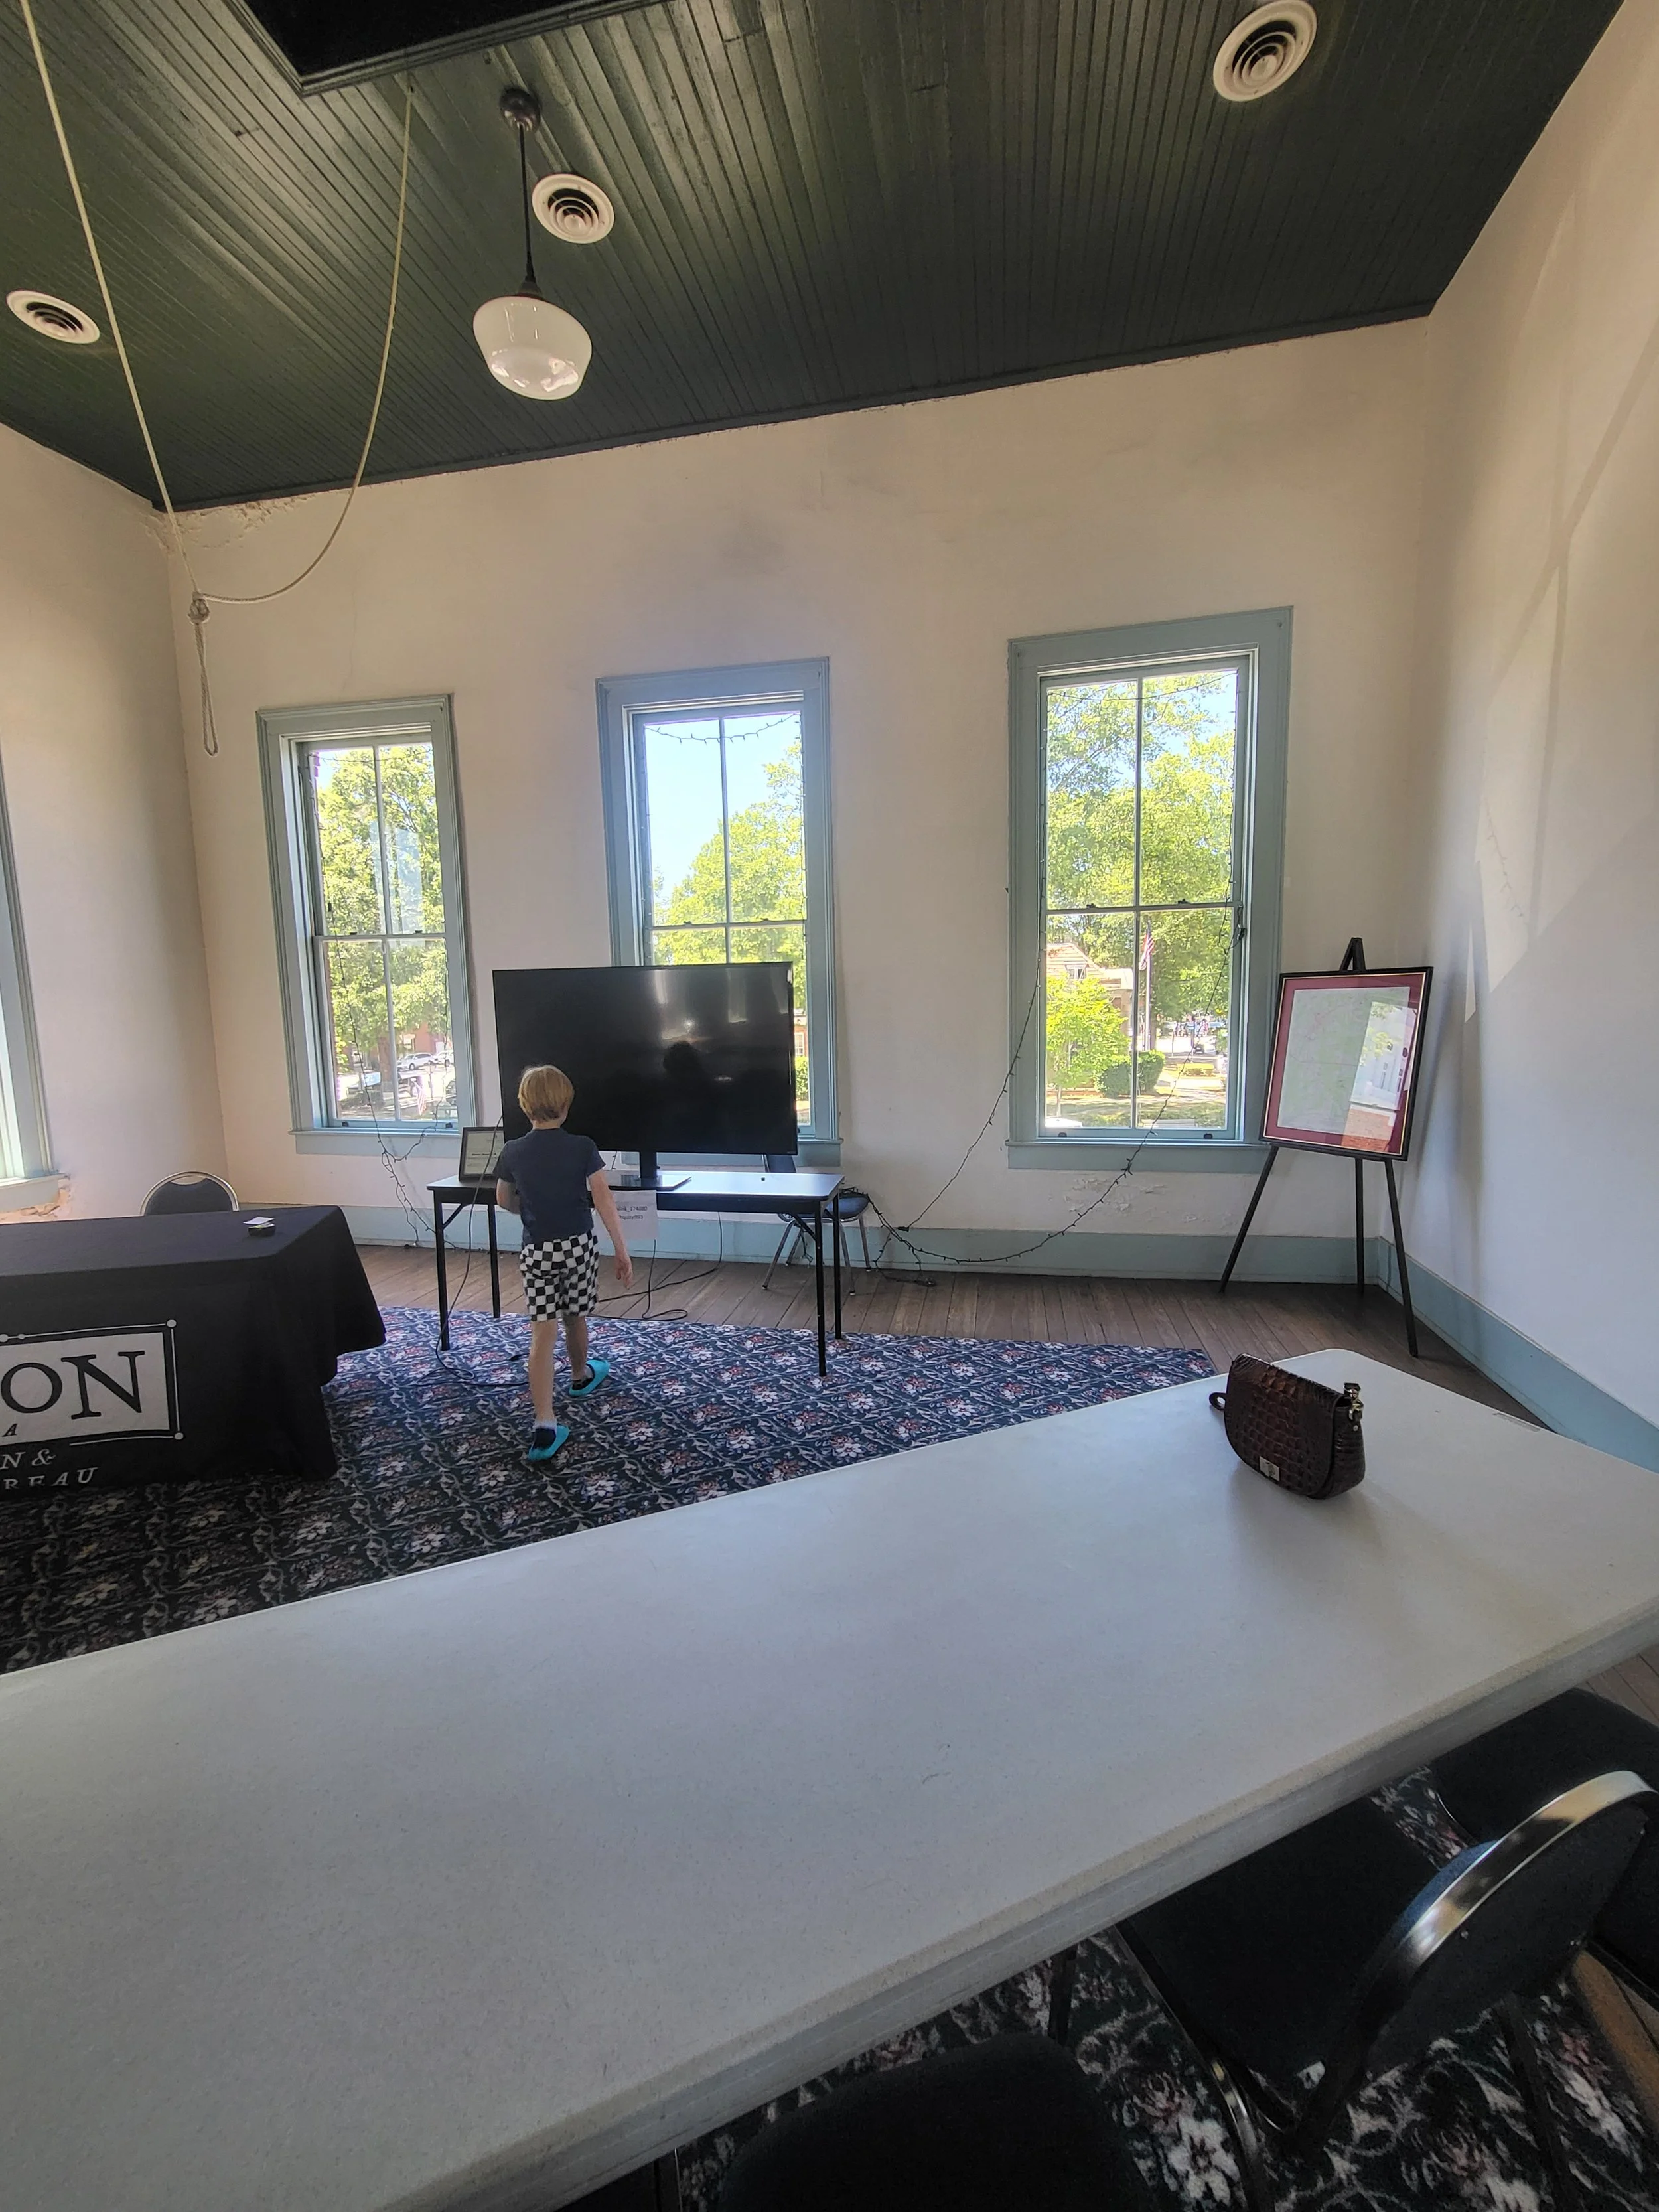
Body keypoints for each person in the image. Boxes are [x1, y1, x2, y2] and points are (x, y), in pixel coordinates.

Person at [495, 1064, 634, 1464]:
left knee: (542, 1334)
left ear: (524, 1105)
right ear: (567, 1105)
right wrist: (621, 1249)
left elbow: (502, 1199)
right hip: (578, 1248)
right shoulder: (583, 1147)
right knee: (576, 1316)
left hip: (537, 1251)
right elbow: (603, 1199)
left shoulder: (512, 1150)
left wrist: (529, 1209)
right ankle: (579, 1376)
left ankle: (545, 1423)